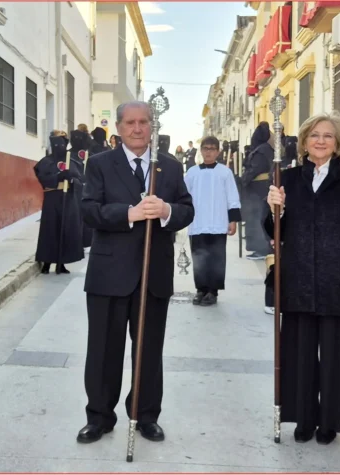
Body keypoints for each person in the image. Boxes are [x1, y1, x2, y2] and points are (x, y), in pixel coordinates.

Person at [77, 100, 194, 444]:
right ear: (118, 127)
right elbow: (88, 210)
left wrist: (167, 210)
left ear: (152, 126)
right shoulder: (99, 164)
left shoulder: (169, 167)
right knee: (102, 350)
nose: (138, 128)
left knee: (148, 349)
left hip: (153, 274)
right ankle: (99, 416)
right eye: (130, 122)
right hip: (108, 273)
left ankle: (145, 415)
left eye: (144, 122)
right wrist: (129, 213)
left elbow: (187, 210)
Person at [265, 112, 340, 444]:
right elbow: (271, 232)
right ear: (303, 142)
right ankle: (303, 418)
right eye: (314, 135)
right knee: (298, 355)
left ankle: (329, 421)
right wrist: (276, 210)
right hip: (298, 278)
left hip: (339, 282)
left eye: (328, 135)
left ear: (338, 143)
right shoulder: (287, 178)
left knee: (334, 357)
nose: (321, 140)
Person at [184, 136, 241, 306]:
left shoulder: (225, 172)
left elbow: (232, 196)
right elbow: (184, 195)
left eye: (212, 149)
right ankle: (201, 289)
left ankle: (213, 291)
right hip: (198, 222)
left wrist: (233, 220)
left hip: (218, 222)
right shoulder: (192, 172)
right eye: (206, 148)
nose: (208, 152)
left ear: (218, 152)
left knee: (216, 258)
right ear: (201, 150)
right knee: (199, 258)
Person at [34, 131, 85, 274]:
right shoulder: (46, 161)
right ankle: (47, 262)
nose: (58, 147)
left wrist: (72, 179)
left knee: (65, 230)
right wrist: (58, 176)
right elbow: (42, 177)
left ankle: (61, 263)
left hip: (68, 199)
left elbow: (81, 179)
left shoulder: (72, 160)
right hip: (52, 199)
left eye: (61, 144)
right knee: (49, 231)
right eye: (55, 144)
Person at [242, 122, 274, 260]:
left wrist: (243, 180)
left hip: (259, 189)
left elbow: (256, 169)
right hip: (260, 189)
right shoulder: (264, 148)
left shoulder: (262, 151)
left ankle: (262, 249)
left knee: (258, 217)